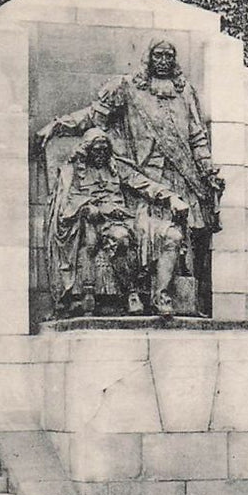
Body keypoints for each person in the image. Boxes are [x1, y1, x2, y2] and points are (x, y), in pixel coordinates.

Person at [37, 39, 224, 315]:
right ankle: (141, 296)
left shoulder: (185, 93)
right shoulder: (127, 88)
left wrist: (208, 170)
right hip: (141, 181)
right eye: (158, 55)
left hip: (181, 178)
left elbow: (196, 136)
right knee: (149, 238)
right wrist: (57, 125)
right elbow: (94, 116)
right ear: (148, 58)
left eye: (168, 56)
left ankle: (180, 302)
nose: (163, 60)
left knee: (185, 241)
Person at [47, 128, 188, 317]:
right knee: (120, 237)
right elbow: (66, 203)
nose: (101, 154)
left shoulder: (116, 166)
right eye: (96, 150)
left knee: (173, 236)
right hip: (102, 223)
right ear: (87, 150)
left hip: (130, 218)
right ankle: (131, 293)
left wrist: (171, 198)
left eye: (105, 150)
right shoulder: (72, 172)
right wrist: (90, 207)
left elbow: (145, 184)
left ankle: (160, 297)